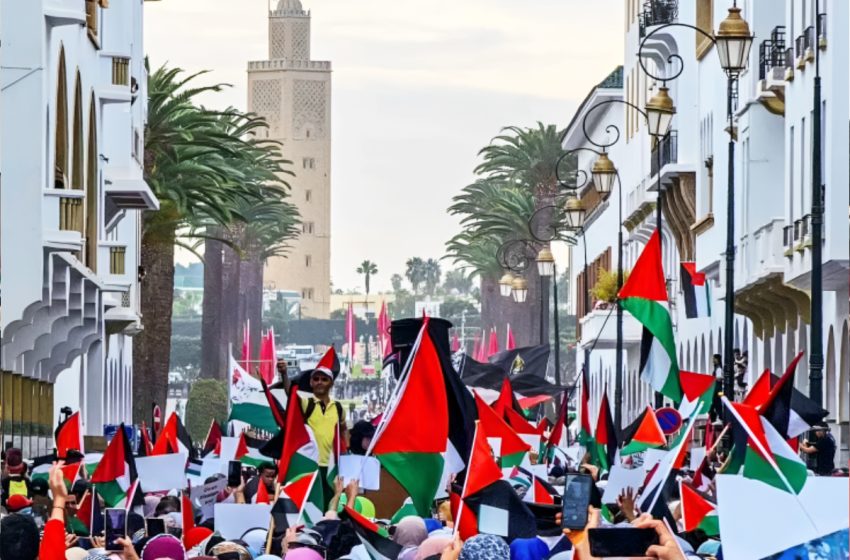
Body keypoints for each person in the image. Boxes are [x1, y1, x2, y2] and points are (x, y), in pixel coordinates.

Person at [283, 346, 349, 503]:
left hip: (332, 466)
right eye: (316, 379)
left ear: (331, 383)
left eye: (324, 379)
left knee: (330, 503)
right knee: (312, 505)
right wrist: (284, 374)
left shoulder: (339, 408)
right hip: (311, 464)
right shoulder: (307, 404)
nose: (320, 382)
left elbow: (344, 429)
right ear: (311, 383)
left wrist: (346, 448)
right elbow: (291, 396)